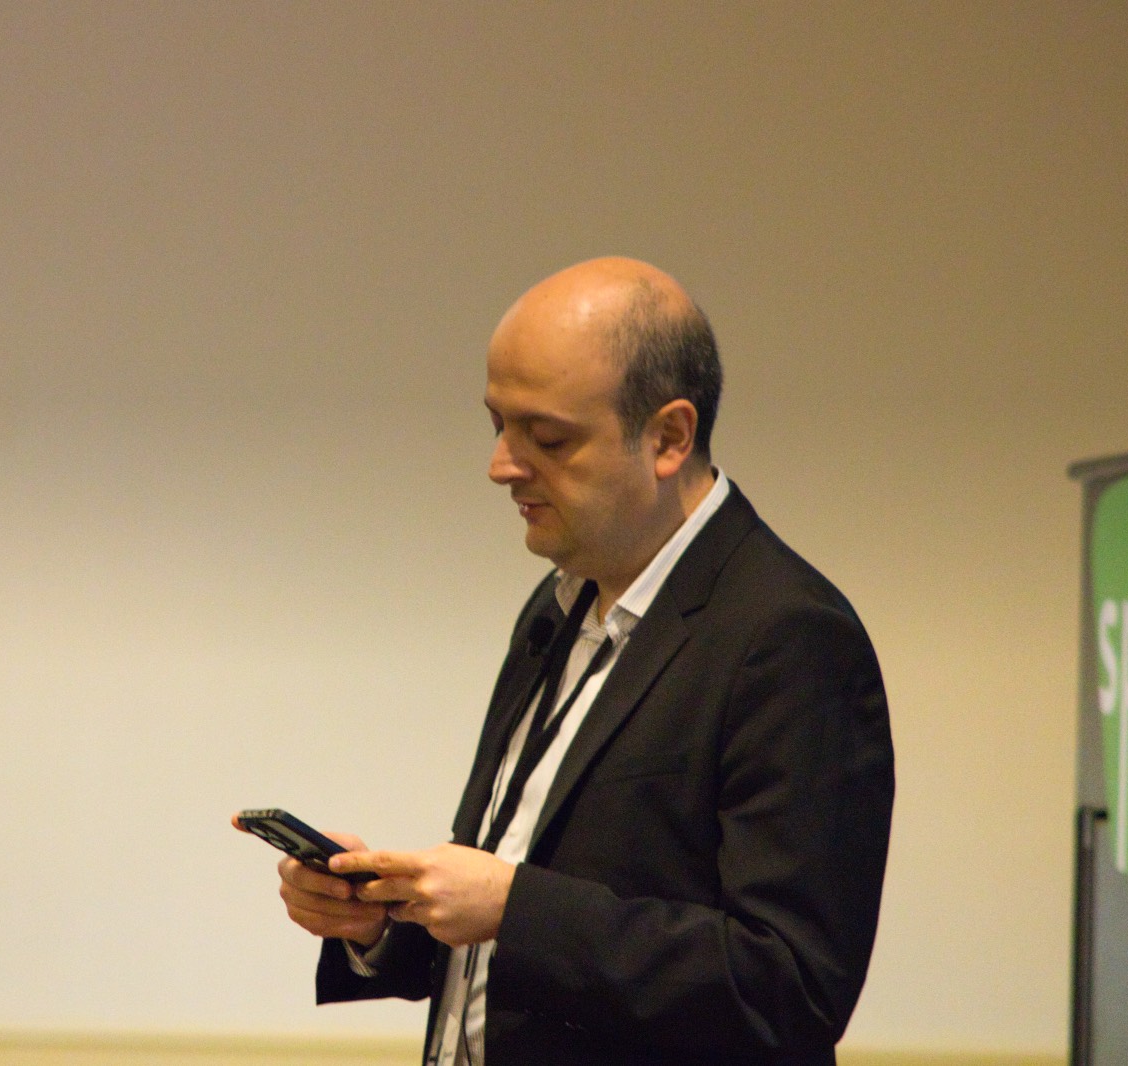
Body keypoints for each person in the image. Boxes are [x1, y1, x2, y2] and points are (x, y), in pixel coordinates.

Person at [241, 257, 895, 1065]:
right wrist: (383, 920)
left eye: (547, 437)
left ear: (669, 437)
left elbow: (788, 989)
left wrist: (514, 907)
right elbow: (511, 914)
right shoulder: (559, 604)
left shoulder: (788, 636)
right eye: (497, 425)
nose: (501, 465)